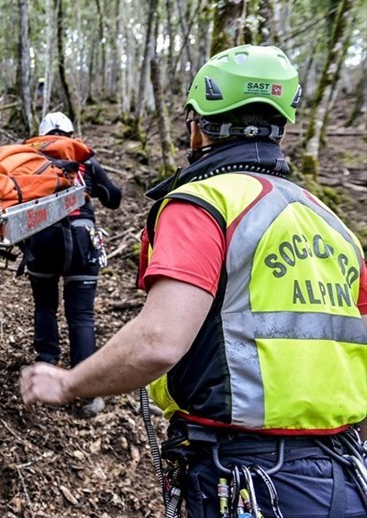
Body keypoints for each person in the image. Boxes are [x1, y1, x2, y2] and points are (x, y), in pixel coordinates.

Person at [20, 45, 367, 517]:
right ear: (282, 128)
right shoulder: (331, 223)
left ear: (199, 126)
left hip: (247, 477)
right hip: (344, 472)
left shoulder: (203, 204)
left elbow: (159, 341)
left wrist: (68, 384)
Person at [22, 111, 121, 418]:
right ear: (70, 133)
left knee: (45, 305)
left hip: (41, 238)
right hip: (82, 240)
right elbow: (114, 197)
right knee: (81, 315)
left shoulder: (28, 161)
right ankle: (86, 392)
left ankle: (46, 367)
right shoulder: (85, 161)